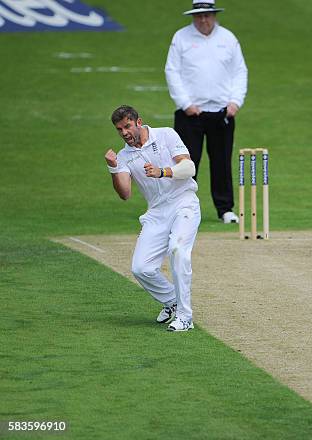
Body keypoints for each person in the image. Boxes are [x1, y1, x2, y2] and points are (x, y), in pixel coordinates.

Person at [104, 105, 201, 332]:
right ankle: (172, 302)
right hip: (156, 212)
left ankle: (185, 317)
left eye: (127, 126)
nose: (124, 133)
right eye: (119, 129)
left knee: (178, 250)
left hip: (183, 202)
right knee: (141, 268)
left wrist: (162, 171)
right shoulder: (124, 156)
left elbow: (189, 167)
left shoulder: (165, 134)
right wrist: (113, 168)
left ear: (138, 122)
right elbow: (125, 194)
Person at [165, 0, 248, 224]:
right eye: (199, 16)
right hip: (191, 113)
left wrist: (235, 102)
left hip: (222, 113)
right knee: (186, 163)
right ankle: (180, 209)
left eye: (207, 15)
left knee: (221, 162)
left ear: (214, 15)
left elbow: (240, 71)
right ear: (193, 16)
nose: (203, 20)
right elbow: (172, 71)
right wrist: (185, 103)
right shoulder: (181, 37)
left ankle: (225, 210)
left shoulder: (228, 38)